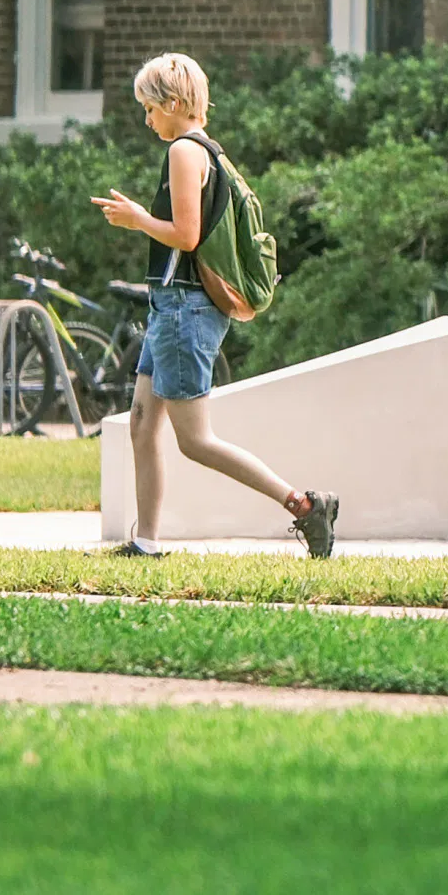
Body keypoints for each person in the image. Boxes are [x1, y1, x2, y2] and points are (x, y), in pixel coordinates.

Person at [95, 53, 340, 559]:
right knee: (142, 422)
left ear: (175, 103)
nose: (146, 119)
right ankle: (146, 543)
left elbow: (186, 237)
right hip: (171, 307)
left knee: (195, 440)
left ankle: (304, 504)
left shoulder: (185, 152)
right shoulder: (208, 151)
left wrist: (137, 219)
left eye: (149, 108)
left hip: (186, 308)